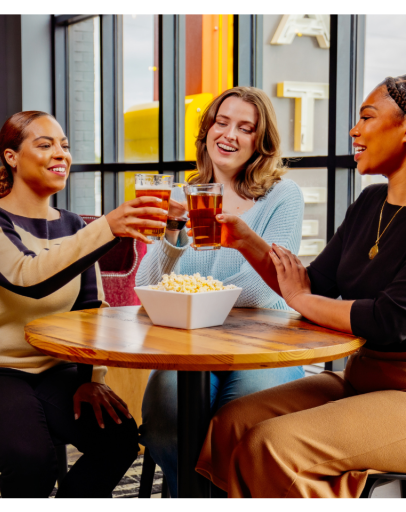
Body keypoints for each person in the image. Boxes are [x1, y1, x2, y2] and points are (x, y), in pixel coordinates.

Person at [195, 73, 406, 498]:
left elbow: (387, 320)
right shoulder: (371, 203)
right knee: (232, 423)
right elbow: (310, 284)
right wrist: (245, 241)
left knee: (274, 445)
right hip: (363, 380)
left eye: (367, 117)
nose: (354, 130)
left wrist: (302, 298)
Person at [0, 111, 168, 498]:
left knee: (120, 439)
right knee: (33, 460)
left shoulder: (75, 226)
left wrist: (90, 381)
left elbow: (90, 310)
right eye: (44, 145)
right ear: (11, 157)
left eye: (64, 145)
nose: (59, 153)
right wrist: (107, 227)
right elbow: (28, 277)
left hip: (55, 373)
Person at [136, 87, 306, 497]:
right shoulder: (182, 196)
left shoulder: (283, 196)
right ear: (207, 130)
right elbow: (146, 285)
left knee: (247, 428)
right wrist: (173, 234)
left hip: (266, 343)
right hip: (193, 345)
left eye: (245, 128)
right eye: (221, 122)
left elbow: (263, 290)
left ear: (259, 143)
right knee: (167, 423)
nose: (229, 135)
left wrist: (191, 294)